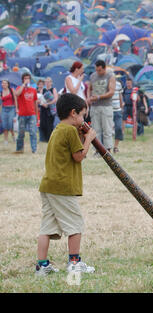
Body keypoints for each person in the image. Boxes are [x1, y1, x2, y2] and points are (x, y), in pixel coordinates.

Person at [35, 93, 97, 276]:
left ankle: (42, 265)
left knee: (47, 227)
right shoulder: (70, 131)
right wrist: (89, 138)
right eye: (83, 115)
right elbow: (78, 157)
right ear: (73, 113)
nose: (83, 119)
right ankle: (74, 263)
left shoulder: (58, 129)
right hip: (62, 188)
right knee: (75, 224)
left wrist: (80, 134)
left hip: (48, 186)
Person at [88, 60, 115, 152]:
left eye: (99, 70)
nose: (98, 72)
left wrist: (99, 97)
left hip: (106, 106)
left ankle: (108, 150)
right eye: (96, 70)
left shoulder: (110, 76)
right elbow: (89, 88)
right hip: (95, 107)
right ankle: (97, 150)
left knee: (107, 129)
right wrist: (89, 98)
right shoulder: (93, 76)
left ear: (104, 68)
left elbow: (111, 92)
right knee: (96, 130)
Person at [15, 73, 38, 154]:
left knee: (33, 132)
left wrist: (37, 115)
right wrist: (23, 85)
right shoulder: (19, 88)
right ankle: (19, 149)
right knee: (21, 133)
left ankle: (34, 149)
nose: (27, 79)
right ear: (23, 79)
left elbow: (35, 103)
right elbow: (17, 94)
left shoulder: (33, 90)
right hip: (22, 114)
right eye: (25, 78)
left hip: (32, 114)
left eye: (28, 78)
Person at [38, 77, 58, 142]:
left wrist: (48, 103)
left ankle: (49, 138)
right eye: (46, 82)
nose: (47, 83)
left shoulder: (53, 89)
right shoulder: (42, 90)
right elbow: (40, 99)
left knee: (50, 124)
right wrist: (43, 104)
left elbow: (55, 99)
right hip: (43, 109)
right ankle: (43, 138)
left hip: (50, 110)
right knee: (43, 124)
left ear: (51, 82)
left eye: (49, 81)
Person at [1, 80, 17, 146]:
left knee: (10, 124)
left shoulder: (12, 90)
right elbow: (1, 103)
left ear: (8, 84)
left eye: (5, 83)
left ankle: (13, 136)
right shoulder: (1, 92)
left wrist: (17, 108)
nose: (4, 84)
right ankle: (6, 140)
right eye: (3, 83)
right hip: (4, 109)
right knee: (4, 125)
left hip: (11, 108)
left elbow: (15, 99)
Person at [112, 78, 123, 153]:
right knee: (106, 130)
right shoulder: (106, 83)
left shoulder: (118, 84)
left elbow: (120, 96)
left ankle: (115, 147)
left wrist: (121, 106)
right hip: (108, 109)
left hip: (118, 109)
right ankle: (106, 147)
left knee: (119, 127)